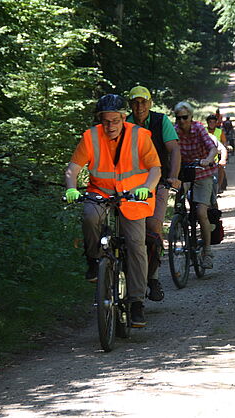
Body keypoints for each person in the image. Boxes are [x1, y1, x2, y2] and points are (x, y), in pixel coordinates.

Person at [65, 94, 161, 327]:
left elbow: (155, 169)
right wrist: (71, 188)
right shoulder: (90, 137)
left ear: (123, 118)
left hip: (133, 195)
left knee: (136, 244)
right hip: (100, 192)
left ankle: (137, 302)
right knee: (89, 217)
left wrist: (146, 188)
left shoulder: (139, 136)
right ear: (100, 120)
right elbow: (72, 169)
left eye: (115, 121)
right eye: (105, 121)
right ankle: (93, 259)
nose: (110, 126)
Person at [127, 86, 181, 302]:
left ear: (150, 103)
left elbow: (174, 149)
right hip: (129, 184)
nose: (140, 106)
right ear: (130, 104)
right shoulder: (124, 123)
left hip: (158, 182)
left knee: (153, 227)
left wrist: (174, 176)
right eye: (135, 102)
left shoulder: (161, 121)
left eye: (143, 102)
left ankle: (154, 277)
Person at [174, 102, 218, 268]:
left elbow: (212, 148)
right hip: (183, 172)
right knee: (178, 203)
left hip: (202, 171)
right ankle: (179, 229)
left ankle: (207, 251)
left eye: (185, 117)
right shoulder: (174, 131)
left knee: (200, 211)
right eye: (178, 118)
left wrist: (208, 159)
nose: (182, 121)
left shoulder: (199, 129)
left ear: (191, 117)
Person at [205, 114, 228, 193]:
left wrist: (225, 148)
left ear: (216, 123)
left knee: (221, 167)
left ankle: (219, 186)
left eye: (213, 122)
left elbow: (224, 143)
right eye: (210, 122)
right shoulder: (203, 131)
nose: (211, 124)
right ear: (207, 123)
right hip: (205, 155)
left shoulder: (220, 131)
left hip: (218, 153)